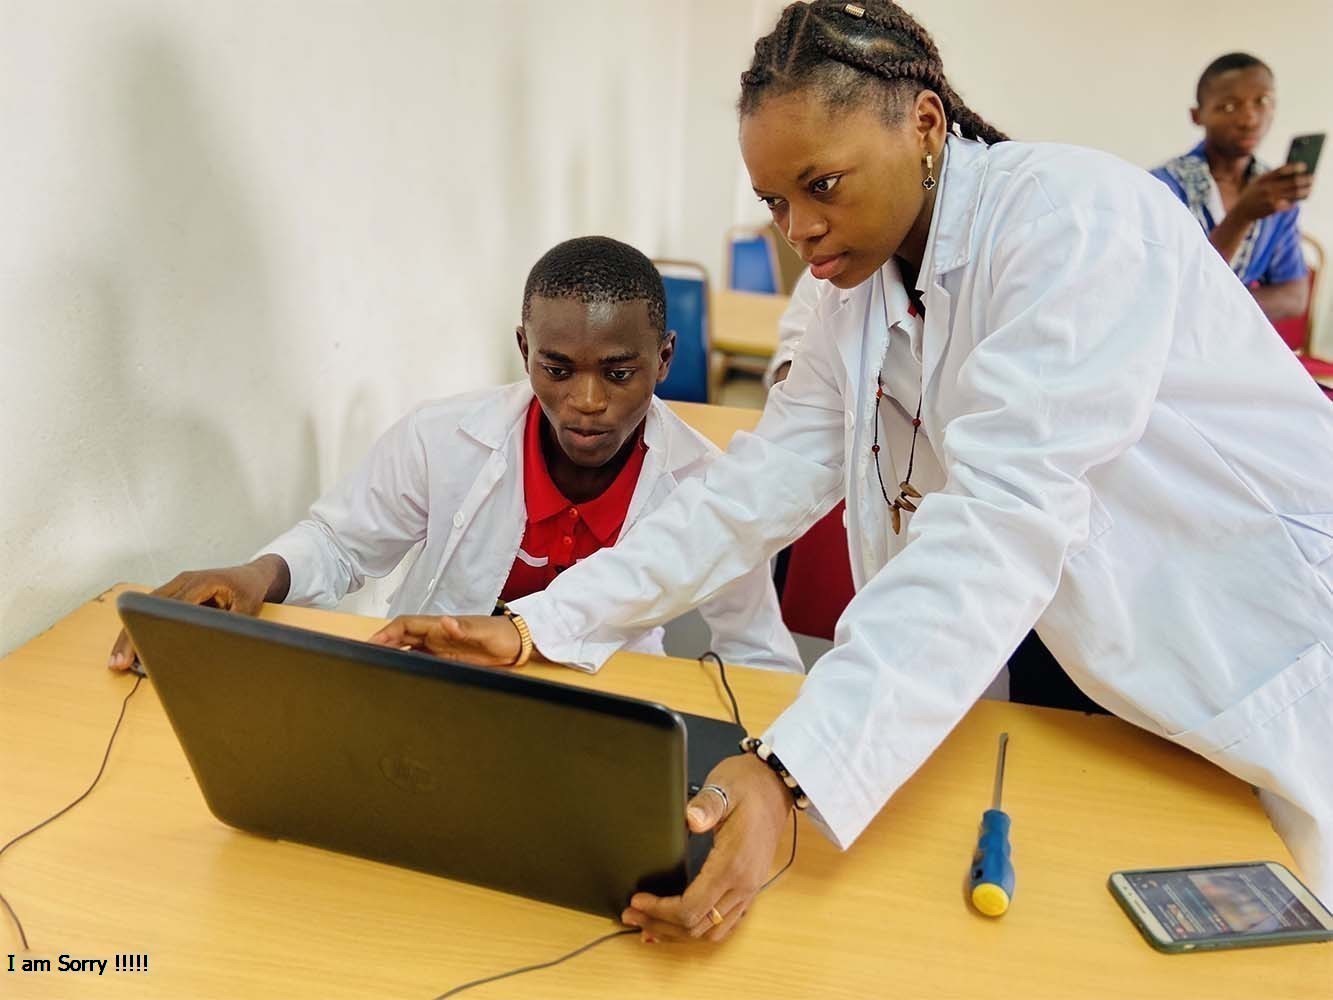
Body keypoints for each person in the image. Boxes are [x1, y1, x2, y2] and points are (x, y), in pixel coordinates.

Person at [369, 0, 1333, 940]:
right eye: (774, 202)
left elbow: (999, 520)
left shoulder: (1071, 221)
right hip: (1086, 639)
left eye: (822, 184)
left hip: (1255, 638)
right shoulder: (857, 296)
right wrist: (540, 622)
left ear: (925, 124)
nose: (798, 229)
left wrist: (788, 772)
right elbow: (748, 494)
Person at [108, 236, 802, 674]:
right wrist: (257, 573)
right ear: (524, 351)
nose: (587, 401)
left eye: (619, 373)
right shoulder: (442, 439)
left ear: (664, 359)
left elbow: (755, 655)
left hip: (604, 708)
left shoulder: (707, 487)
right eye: (557, 369)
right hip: (431, 686)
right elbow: (341, 544)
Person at [1151, 52, 1313, 323]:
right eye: (1228, 107)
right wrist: (1242, 215)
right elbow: (1170, 294)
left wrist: (1210, 304)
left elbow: (1294, 298)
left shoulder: (1276, 190)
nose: (1249, 119)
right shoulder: (1162, 188)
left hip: (1238, 340)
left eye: (1262, 101)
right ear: (1197, 115)